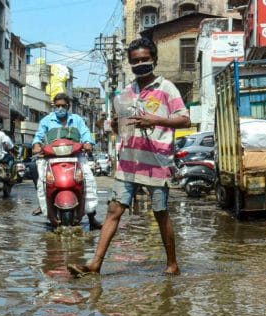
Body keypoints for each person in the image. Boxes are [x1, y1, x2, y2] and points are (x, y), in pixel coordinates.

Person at [68, 37, 190, 277]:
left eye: (145, 59)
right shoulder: (124, 94)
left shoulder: (166, 88)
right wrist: (115, 125)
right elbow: (122, 129)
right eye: (136, 61)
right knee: (114, 210)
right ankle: (96, 264)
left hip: (157, 162)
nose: (141, 63)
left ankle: (172, 263)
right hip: (129, 161)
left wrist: (155, 120)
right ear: (130, 63)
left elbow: (184, 119)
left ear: (154, 59)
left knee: (160, 212)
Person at [31, 92, 101, 229]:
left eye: (63, 106)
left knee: (89, 179)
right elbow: (39, 135)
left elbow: (85, 132)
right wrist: (37, 144)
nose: (60, 109)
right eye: (57, 106)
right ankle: (44, 205)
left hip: (75, 156)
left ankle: (92, 216)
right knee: (41, 180)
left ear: (68, 106)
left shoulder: (77, 119)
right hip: (51, 157)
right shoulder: (47, 120)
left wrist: (88, 142)